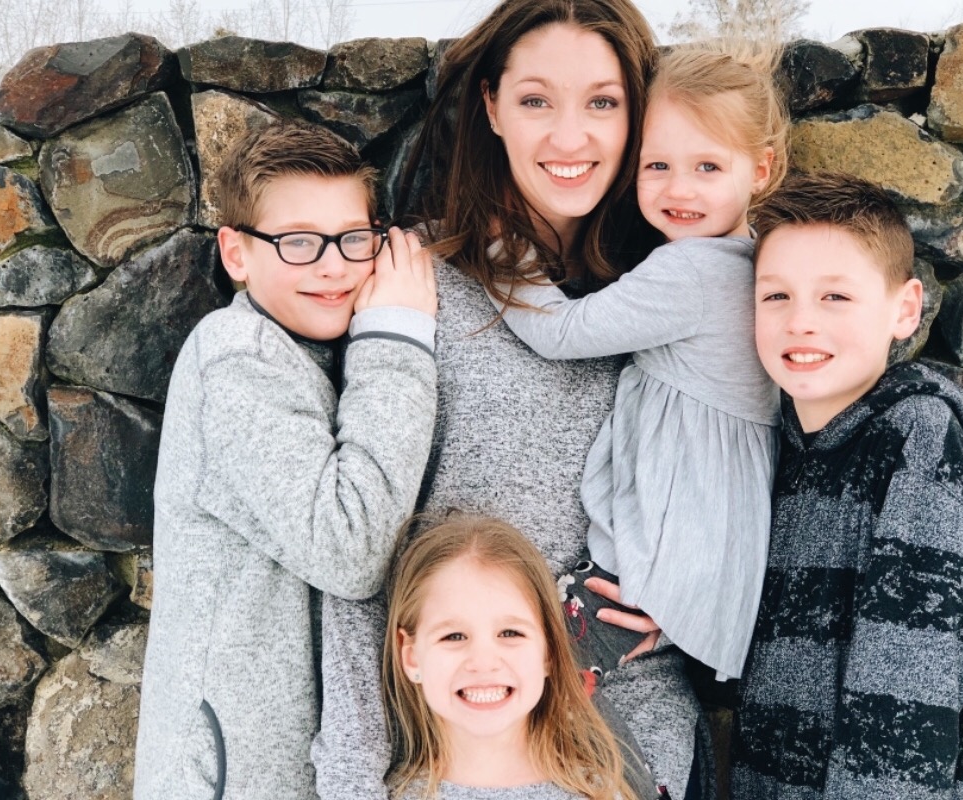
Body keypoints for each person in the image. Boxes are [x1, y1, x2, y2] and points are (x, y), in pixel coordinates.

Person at [315, 2, 710, 799]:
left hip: (631, 744)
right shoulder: (417, 284)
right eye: (536, 100)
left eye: (602, 102)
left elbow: (736, 474)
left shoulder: (679, 286)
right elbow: (358, 556)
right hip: (458, 753)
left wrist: (695, 592)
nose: (570, 137)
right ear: (492, 107)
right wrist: (353, 778)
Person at [134, 122, 438, 800]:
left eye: (353, 239)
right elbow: (351, 550)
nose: (333, 266)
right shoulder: (236, 355)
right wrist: (398, 337)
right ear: (236, 253)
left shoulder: (308, 349)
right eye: (298, 242)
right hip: (236, 774)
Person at [486, 39, 787, 684]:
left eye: (708, 167)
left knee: (532, 682)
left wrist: (501, 249)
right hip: (704, 553)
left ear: (761, 169)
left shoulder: (690, 271)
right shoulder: (753, 261)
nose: (680, 189)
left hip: (647, 555)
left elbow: (561, 332)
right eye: (657, 165)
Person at [731, 172, 963, 798]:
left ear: (905, 310)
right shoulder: (783, 444)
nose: (800, 321)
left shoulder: (918, 438)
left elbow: (910, 694)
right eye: (776, 295)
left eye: (835, 296)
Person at [383, 514, 633, 800]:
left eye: (510, 633)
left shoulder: (601, 793)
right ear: (412, 658)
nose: (483, 662)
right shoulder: (382, 793)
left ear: (549, 651)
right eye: (453, 636)